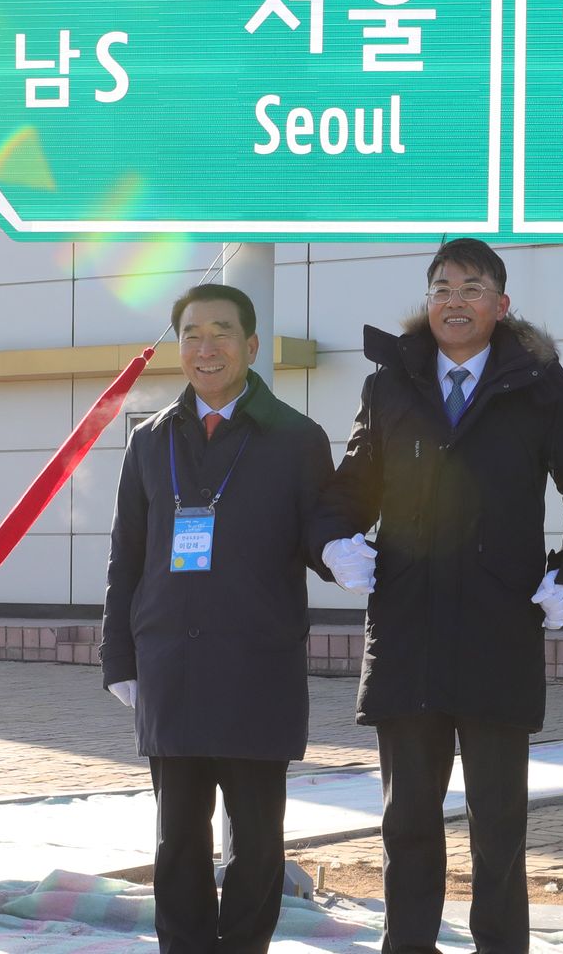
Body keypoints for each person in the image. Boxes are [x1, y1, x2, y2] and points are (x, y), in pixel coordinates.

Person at [316, 238, 563, 954]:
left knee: (499, 825)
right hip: (408, 633)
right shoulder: (390, 384)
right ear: (428, 302)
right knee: (407, 823)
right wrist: (331, 544)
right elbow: (353, 487)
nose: (456, 301)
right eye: (443, 288)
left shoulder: (539, 387)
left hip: (497, 631)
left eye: (472, 288)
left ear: (501, 305)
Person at [100, 283, 336, 954]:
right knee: (177, 837)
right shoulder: (149, 441)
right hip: (170, 666)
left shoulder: (296, 438)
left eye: (221, 333)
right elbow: (127, 556)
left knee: (257, 840)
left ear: (251, 345)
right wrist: (119, 657)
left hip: (256, 667)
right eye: (192, 335)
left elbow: (321, 537)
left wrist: (346, 551)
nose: (205, 348)